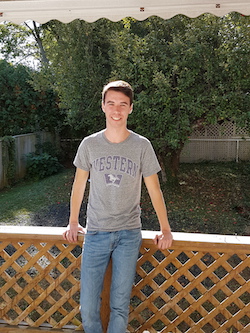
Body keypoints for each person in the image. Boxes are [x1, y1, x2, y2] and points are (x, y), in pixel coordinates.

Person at [63, 80, 173, 333]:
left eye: (123, 104)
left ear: (131, 108)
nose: (116, 109)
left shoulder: (141, 146)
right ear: (102, 106)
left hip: (128, 234)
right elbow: (79, 185)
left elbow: (154, 190)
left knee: (120, 306)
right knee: (88, 306)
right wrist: (72, 221)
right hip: (96, 233)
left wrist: (165, 228)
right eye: (111, 103)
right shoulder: (89, 144)